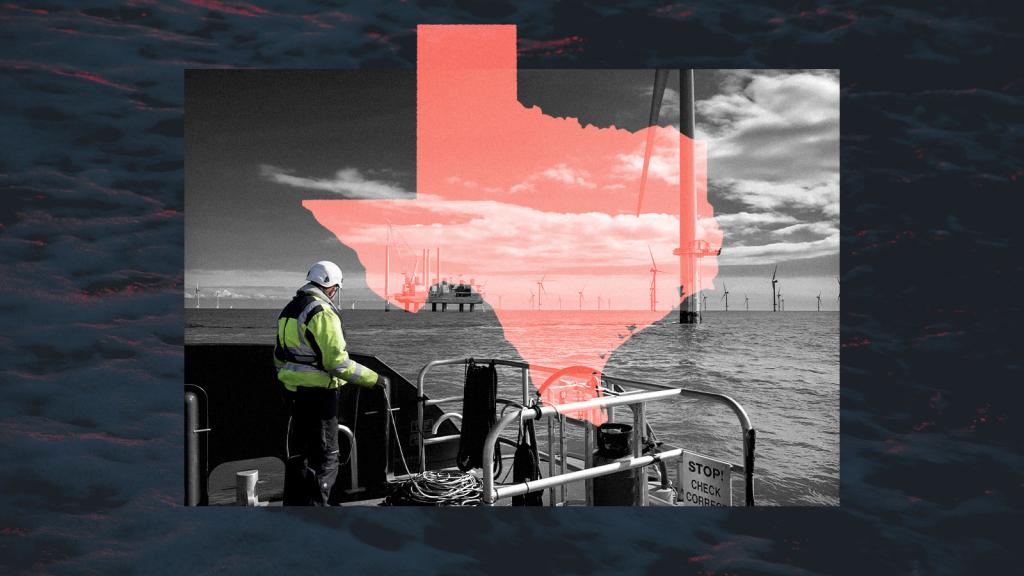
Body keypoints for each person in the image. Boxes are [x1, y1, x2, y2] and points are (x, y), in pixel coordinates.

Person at [274, 261, 384, 505]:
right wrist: (374, 379)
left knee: (300, 458)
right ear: (332, 288)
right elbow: (337, 363)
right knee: (325, 458)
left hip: (294, 396)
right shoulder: (321, 312)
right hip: (319, 398)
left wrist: (291, 382)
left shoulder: (289, 310)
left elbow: (279, 357)